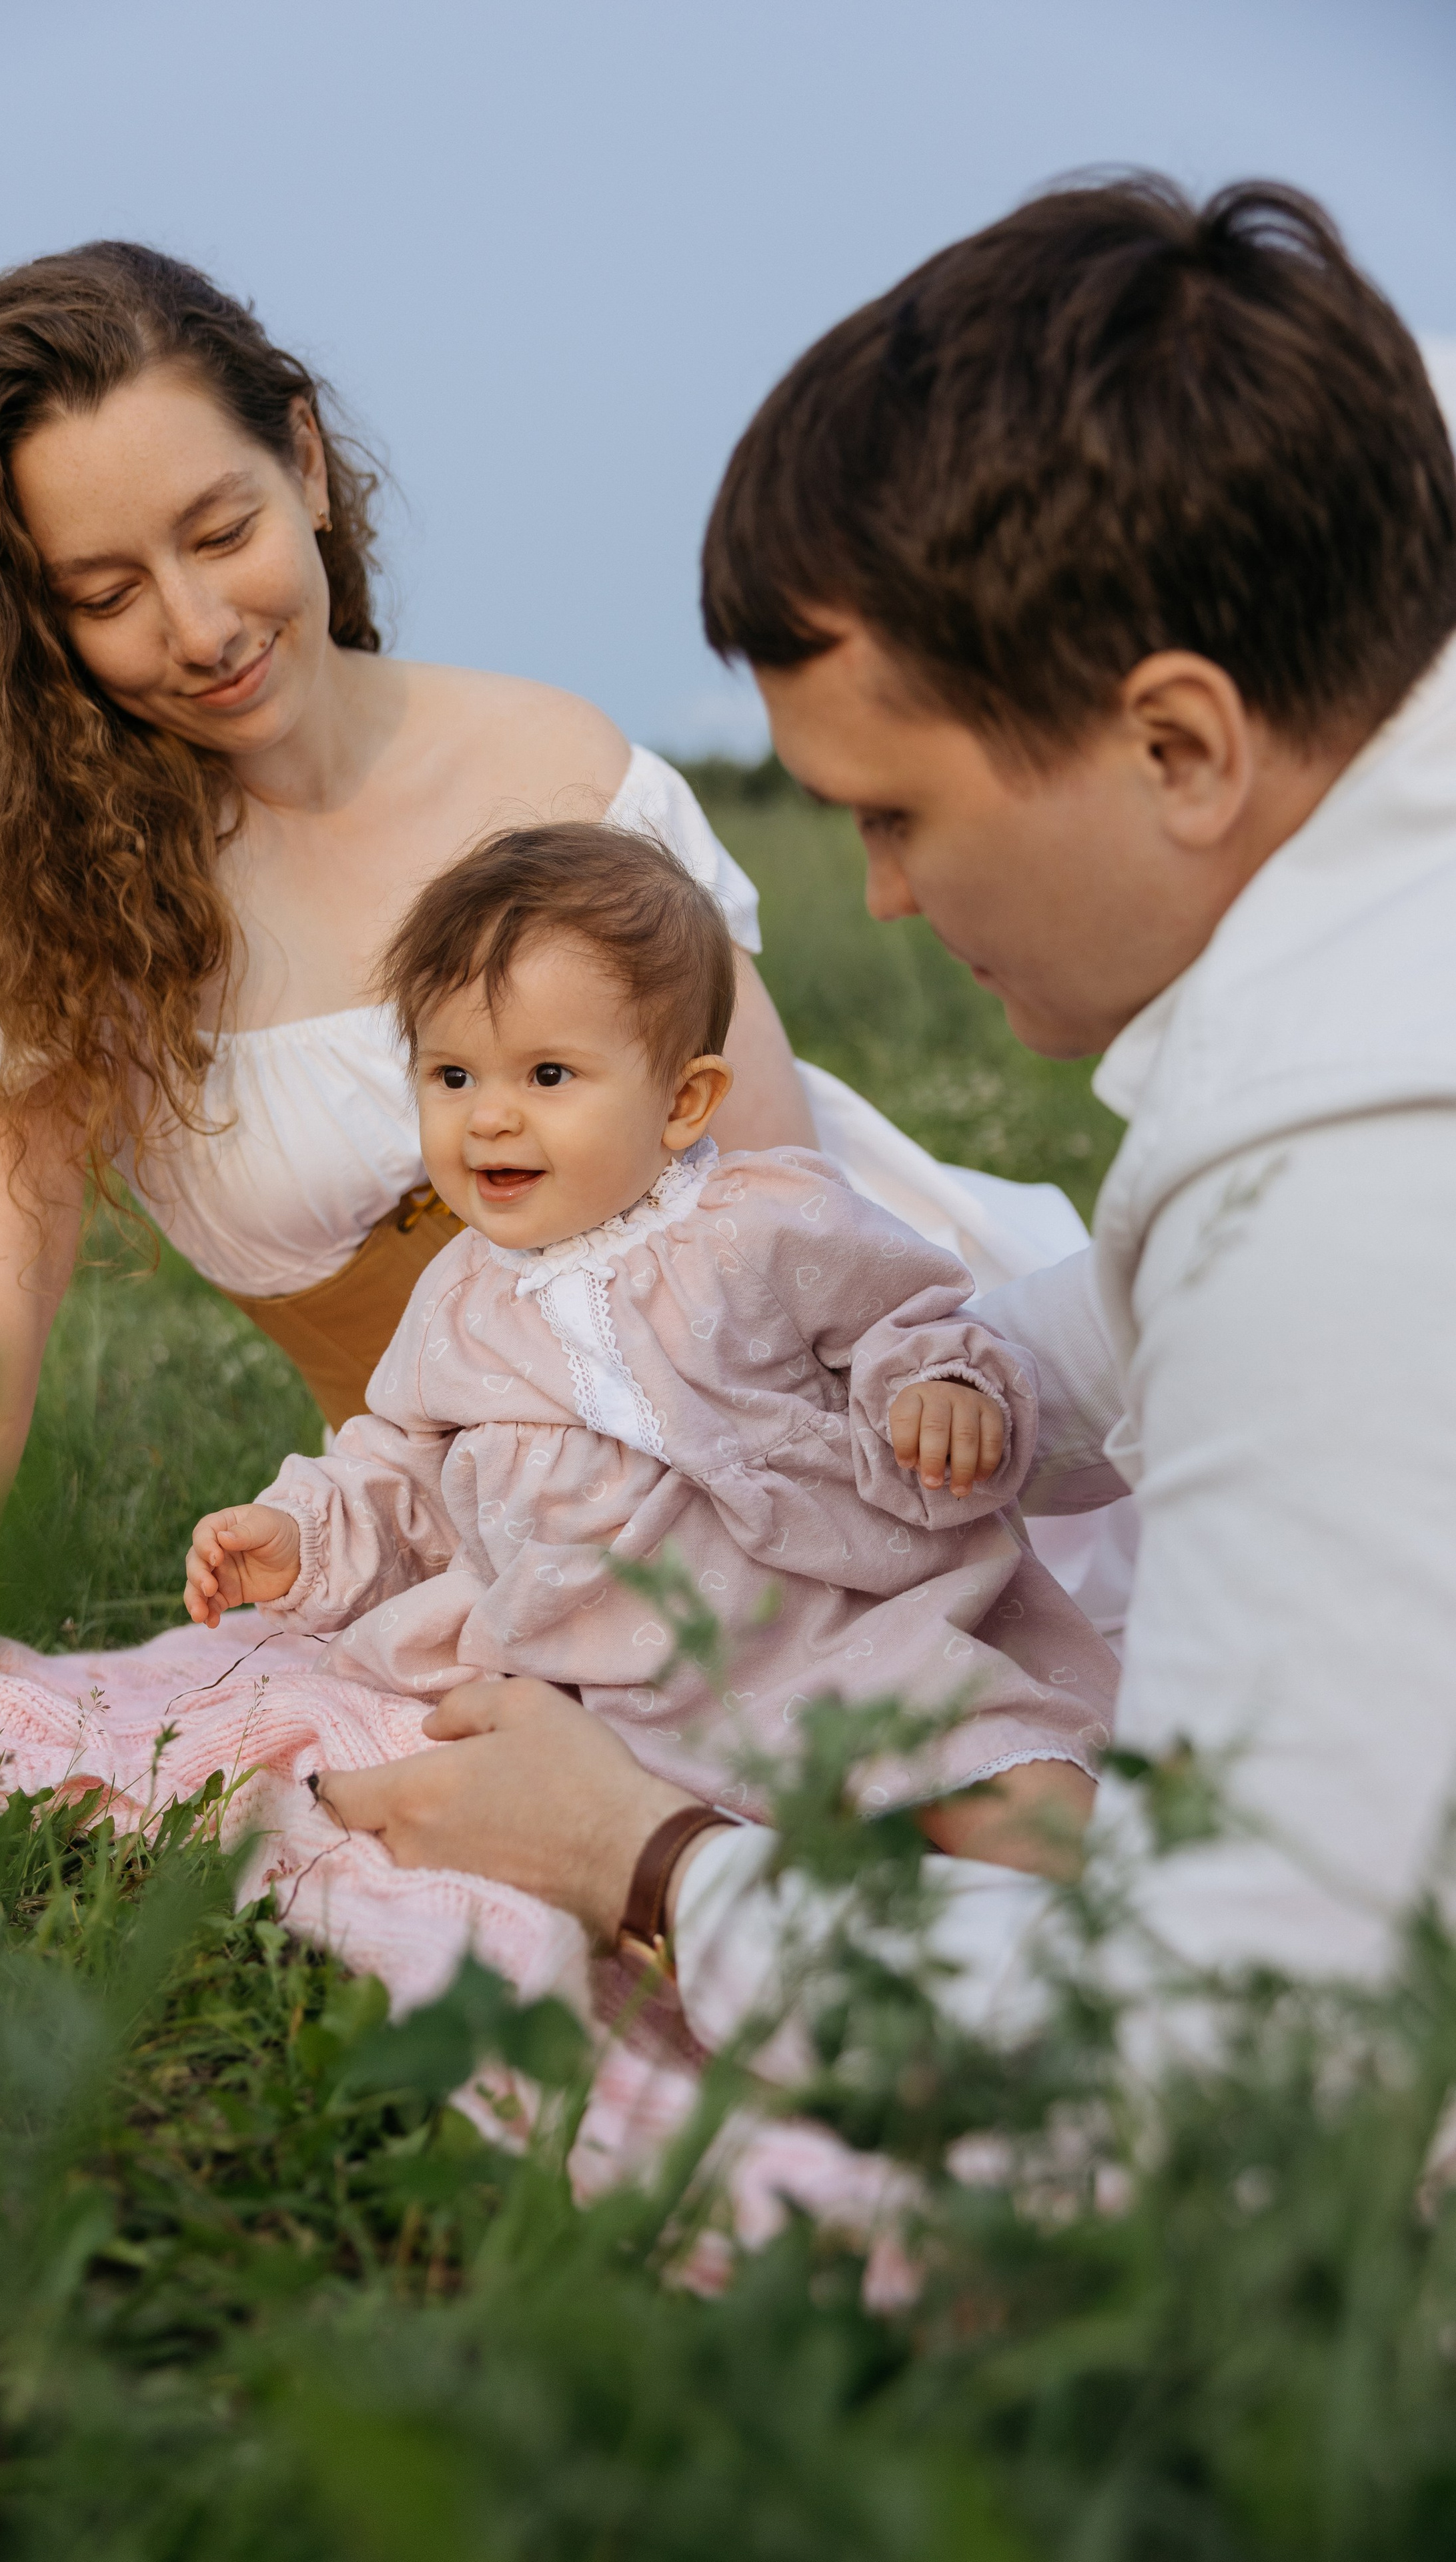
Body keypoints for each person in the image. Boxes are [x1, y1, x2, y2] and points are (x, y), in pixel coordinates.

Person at [316, 173, 1456, 2020]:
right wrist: (977, 1384)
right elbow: (1130, 1319)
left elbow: (1246, 2056)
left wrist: (647, 1858)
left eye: (895, 811)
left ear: (1178, 745)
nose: (884, 899)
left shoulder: (1341, 1207)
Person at [0, 240, 1088, 1673]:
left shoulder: (561, 772)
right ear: (33, 619)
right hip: (484, 1523)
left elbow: (772, 1231)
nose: (197, 629)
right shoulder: (36, 882)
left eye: (218, 533)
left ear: (307, 467)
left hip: (863, 1396)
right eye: (103, 593)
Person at [180, 823, 1116, 1853]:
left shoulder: (760, 1222)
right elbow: (406, 1473)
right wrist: (306, 1533)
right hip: (593, 1676)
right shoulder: (459, 1298)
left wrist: (937, 1387)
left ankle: (1094, 1908)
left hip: (823, 1621)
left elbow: (902, 1321)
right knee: (473, 1786)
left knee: (990, 1774)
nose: (488, 1118)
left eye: (546, 1076)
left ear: (682, 1102)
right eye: (452, 1077)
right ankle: (700, 1865)